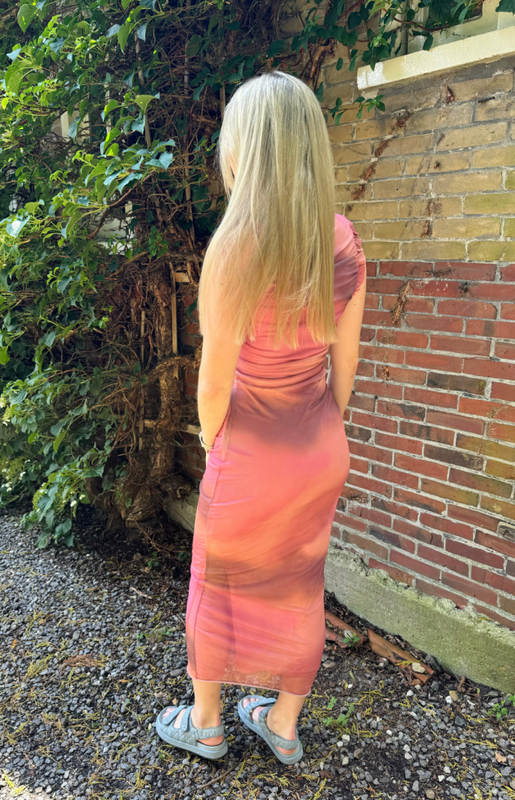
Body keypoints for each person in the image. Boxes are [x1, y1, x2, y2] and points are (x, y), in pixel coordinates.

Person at [155, 70, 367, 764]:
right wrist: (316, 435)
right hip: (318, 449)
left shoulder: (235, 248)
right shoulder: (342, 241)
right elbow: (344, 371)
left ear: (245, 148)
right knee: (301, 587)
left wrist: (220, 449)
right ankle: (281, 722)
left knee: (216, 585)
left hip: (250, 451)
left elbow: (214, 385)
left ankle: (207, 723)